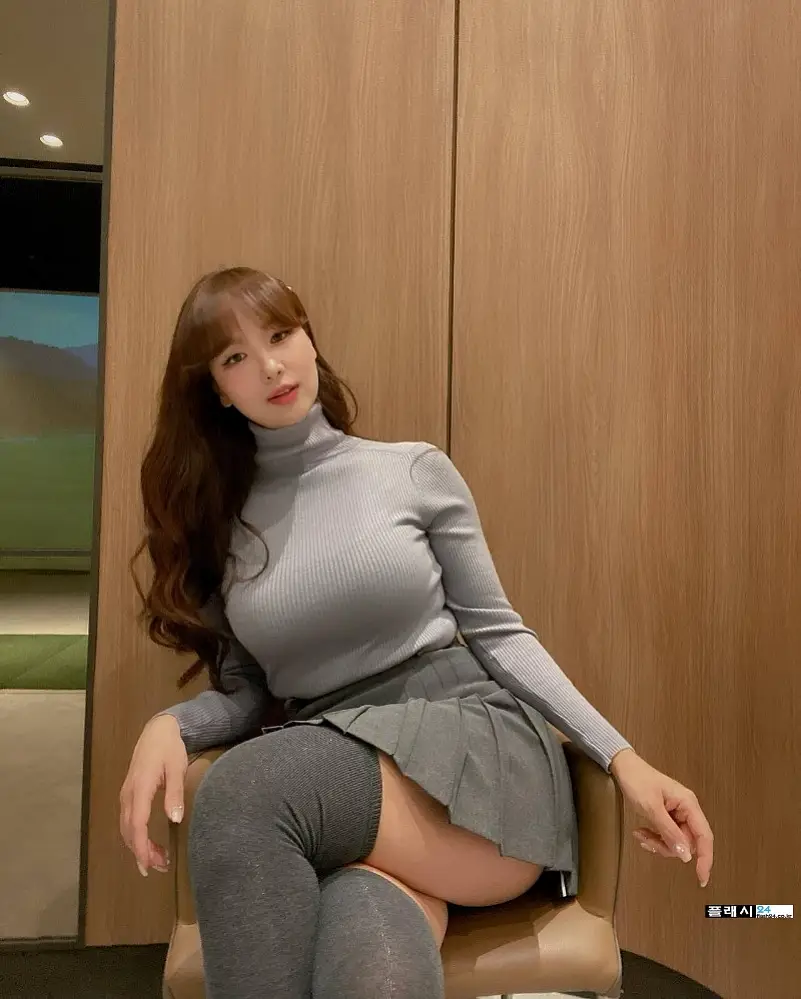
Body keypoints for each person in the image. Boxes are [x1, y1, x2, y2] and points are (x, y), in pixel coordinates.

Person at [119, 266, 714, 999]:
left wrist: (623, 760)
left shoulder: (409, 471)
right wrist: (172, 725)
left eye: (280, 334)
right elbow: (249, 691)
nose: (270, 365)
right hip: (344, 783)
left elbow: (499, 635)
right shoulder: (223, 526)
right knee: (369, 950)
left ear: (309, 339)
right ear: (215, 387)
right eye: (236, 356)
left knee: (243, 795)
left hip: (467, 755)